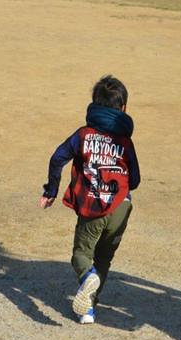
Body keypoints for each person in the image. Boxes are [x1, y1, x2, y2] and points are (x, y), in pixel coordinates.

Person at [40, 75, 140, 324]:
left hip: (92, 206)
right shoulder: (125, 142)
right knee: (104, 258)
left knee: (81, 255)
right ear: (123, 108)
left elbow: (57, 158)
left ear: (94, 104)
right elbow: (135, 179)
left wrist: (51, 190)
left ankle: (87, 279)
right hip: (121, 207)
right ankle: (88, 309)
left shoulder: (83, 135)